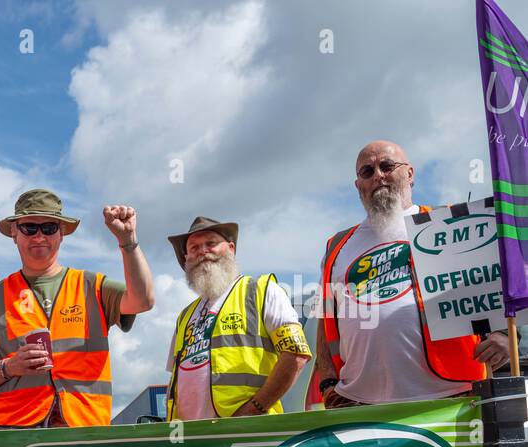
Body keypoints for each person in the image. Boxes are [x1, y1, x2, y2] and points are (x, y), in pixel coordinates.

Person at [316, 140, 511, 408]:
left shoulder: (450, 225)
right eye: (367, 172)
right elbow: (325, 316)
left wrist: (505, 335)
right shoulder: (336, 245)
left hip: (450, 396)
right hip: (357, 401)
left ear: (409, 174)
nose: (378, 176)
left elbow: (490, 286)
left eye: (387, 166)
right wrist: (327, 382)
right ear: (358, 185)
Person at [0, 188, 154, 428]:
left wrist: (128, 242)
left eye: (49, 228)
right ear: (14, 233)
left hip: (84, 429)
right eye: (29, 227)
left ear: (61, 233)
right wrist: (8, 366)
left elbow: (143, 300)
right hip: (15, 434)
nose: (39, 236)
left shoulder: (92, 286)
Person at [165, 216, 310, 420]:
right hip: (191, 440)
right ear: (186, 257)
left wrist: (254, 409)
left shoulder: (261, 291)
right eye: (194, 247)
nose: (203, 252)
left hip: (247, 435)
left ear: (231, 248)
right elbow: (176, 380)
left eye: (211, 243)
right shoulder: (185, 316)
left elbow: (295, 354)